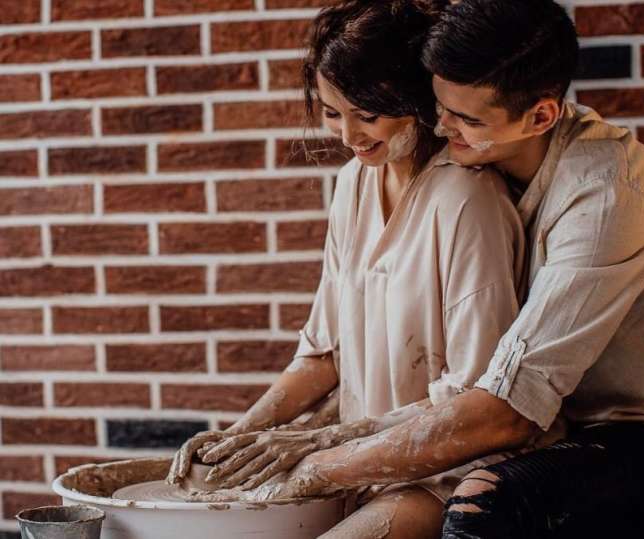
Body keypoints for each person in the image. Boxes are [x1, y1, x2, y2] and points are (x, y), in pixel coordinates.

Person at [168, 1, 528, 537]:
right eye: (333, 113)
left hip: (444, 471)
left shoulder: (466, 198)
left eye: (367, 113)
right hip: (355, 462)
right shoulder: (353, 185)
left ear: (415, 99)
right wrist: (241, 435)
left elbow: (477, 400)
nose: (347, 136)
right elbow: (323, 354)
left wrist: (319, 445)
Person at [419, 1, 644, 537]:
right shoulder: (487, 162)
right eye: (440, 106)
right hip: (569, 428)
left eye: (467, 119)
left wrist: (318, 465)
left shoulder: (606, 194)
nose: (443, 129)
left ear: (541, 116)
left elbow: (507, 411)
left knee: (482, 503)